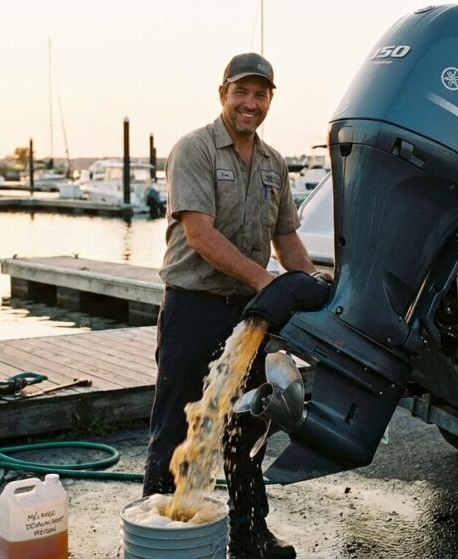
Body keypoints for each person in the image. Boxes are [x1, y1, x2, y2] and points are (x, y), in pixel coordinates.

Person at [142, 52, 320, 559]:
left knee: (247, 427)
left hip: (246, 315)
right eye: (241, 92)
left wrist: (307, 283)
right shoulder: (194, 150)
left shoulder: (274, 163)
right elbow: (200, 235)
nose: (250, 103)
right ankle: (160, 536)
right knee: (175, 424)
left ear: (269, 101)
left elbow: (286, 238)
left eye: (260, 94)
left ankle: (249, 534)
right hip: (192, 307)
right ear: (223, 94)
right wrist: (269, 283)